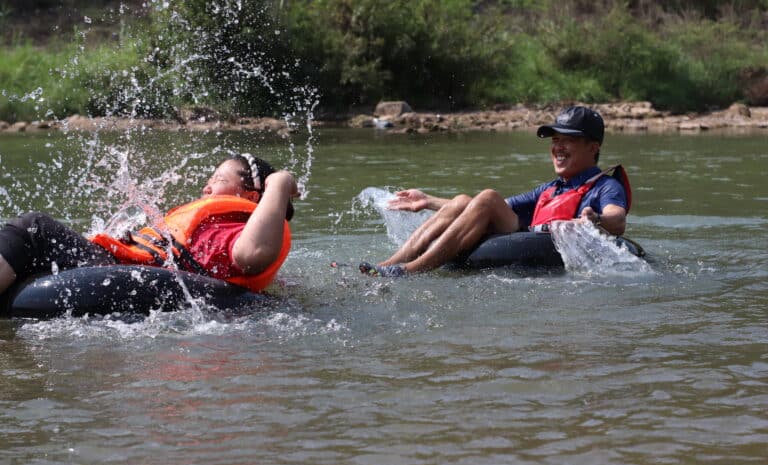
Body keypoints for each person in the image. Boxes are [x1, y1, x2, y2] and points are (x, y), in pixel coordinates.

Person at [359, 105, 628, 276]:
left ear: (593, 147)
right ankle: (388, 264)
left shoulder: (606, 186)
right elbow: (476, 207)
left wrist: (596, 220)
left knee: (487, 196)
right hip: (528, 239)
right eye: (556, 140)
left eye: (568, 140)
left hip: (551, 251)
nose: (558, 147)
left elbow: (617, 219)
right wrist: (427, 201)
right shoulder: (552, 189)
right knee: (466, 199)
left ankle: (411, 270)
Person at [0, 154, 298, 295]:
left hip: (131, 277)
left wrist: (280, 183)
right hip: (120, 269)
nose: (206, 189)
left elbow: (251, 254)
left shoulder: (244, 224)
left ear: (250, 196)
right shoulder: (220, 222)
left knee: (33, 228)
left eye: (218, 180)